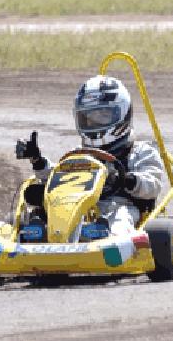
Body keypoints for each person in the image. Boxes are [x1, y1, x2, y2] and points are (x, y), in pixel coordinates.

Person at [16, 76, 164, 237]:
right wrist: (37, 161)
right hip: (78, 207)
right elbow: (58, 178)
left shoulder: (141, 151)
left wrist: (126, 179)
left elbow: (153, 185)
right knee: (48, 209)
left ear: (123, 114)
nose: (94, 123)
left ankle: (108, 240)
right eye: (88, 118)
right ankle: (39, 235)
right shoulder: (79, 153)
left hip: (119, 206)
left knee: (119, 218)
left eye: (103, 115)